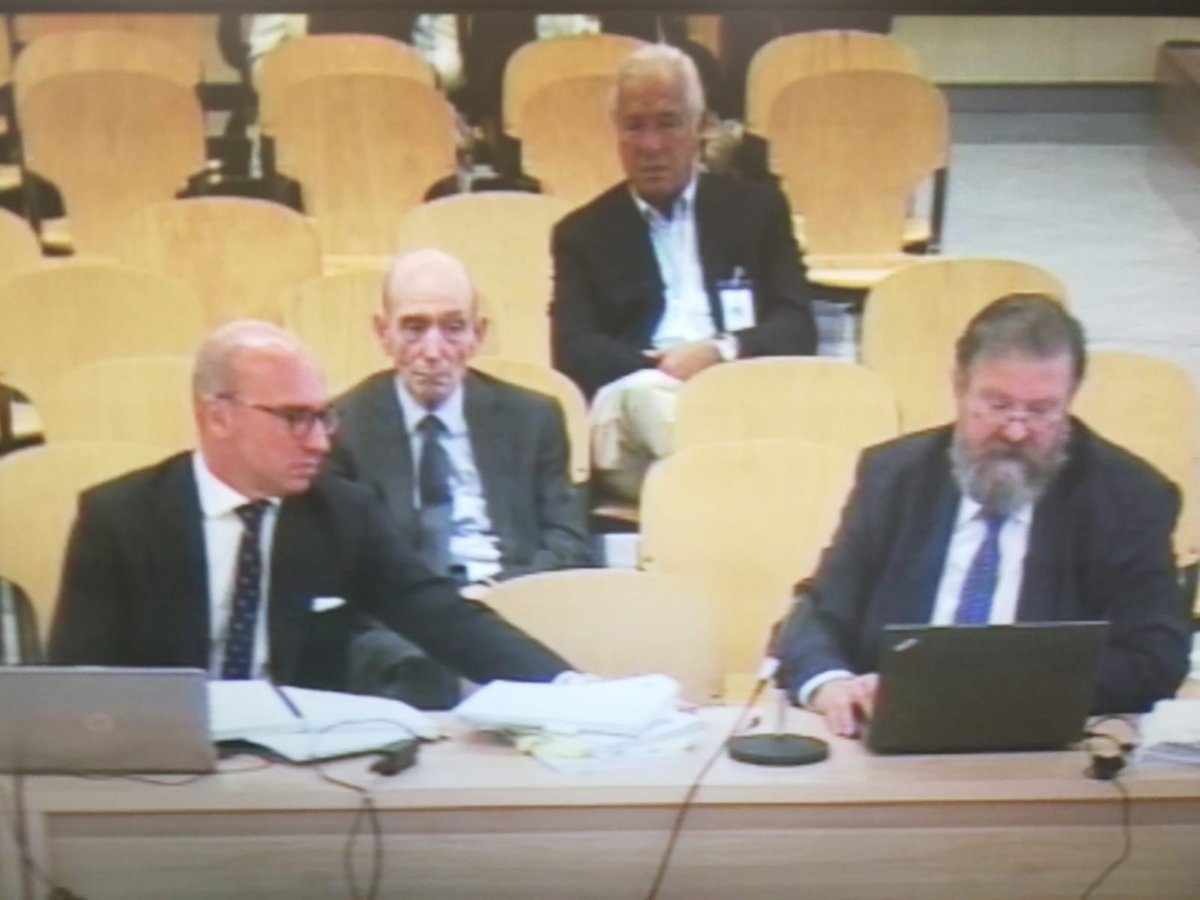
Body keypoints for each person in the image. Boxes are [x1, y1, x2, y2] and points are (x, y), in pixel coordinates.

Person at [48, 321, 571, 693]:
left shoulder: (342, 514)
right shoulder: (120, 520)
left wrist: (570, 687)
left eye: (324, 418)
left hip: (299, 762)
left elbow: (442, 616)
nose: (320, 442)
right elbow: (75, 683)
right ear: (218, 417)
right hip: (161, 764)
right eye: (295, 419)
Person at [779, 294, 1191, 736]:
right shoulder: (894, 478)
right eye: (997, 405)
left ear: (1070, 399)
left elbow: (1155, 658)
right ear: (959, 387)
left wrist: (983, 691)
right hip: (885, 746)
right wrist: (833, 685)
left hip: (1041, 749)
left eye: (1041, 411)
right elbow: (817, 613)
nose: (1015, 431)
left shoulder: (1128, 499)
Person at [550, 43, 816, 499]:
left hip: (738, 388)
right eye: (635, 126)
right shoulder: (583, 233)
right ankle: (756, 493)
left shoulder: (756, 209)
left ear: (700, 127)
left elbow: (797, 326)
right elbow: (574, 351)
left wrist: (720, 352)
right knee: (647, 398)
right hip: (634, 410)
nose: (651, 145)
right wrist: (666, 367)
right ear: (617, 133)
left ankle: (725, 497)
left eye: (668, 123)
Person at [330, 249, 592, 585]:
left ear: (478, 334)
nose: (433, 351)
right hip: (401, 605)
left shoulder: (534, 420)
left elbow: (568, 543)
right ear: (383, 333)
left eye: (453, 328)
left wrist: (504, 592)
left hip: (509, 594)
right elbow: (342, 560)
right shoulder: (343, 427)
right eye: (414, 328)